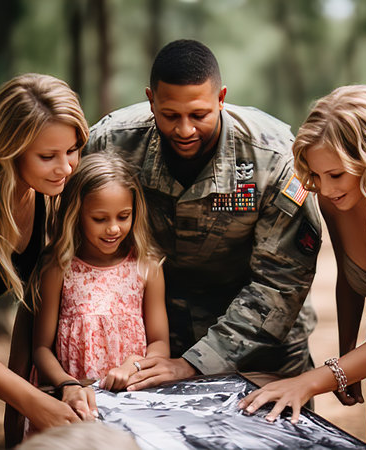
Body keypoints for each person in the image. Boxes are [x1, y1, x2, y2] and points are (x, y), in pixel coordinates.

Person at [85, 39, 322, 391]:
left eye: (199, 115)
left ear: (221, 98)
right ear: (151, 100)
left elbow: (281, 282)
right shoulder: (111, 143)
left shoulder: (271, 157)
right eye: (169, 115)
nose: (184, 130)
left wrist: (196, 363)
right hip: (156, 332)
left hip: (262, 339)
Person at [238, 85, 366, 449]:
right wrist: (345, 363)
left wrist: (311, 381)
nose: (324, 189)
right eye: (317, 175)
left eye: (337, 174)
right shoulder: (338, 202)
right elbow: (348, 282)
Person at [0, 73, 89, 438]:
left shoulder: (43, 195)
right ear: (7, 149)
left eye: (71, 150)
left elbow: (30, 315)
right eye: (47, 156)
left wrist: (19, 417)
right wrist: (29, 401)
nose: (67, 168)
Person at [31, 152, 169, 419]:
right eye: (99, 219)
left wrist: (136, 365)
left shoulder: (147, 266)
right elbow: (41, 348)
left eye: (123, 216)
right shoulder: (58, 266)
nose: (113, 229)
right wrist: (67, 384)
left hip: (133, 403)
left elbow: (160, 342)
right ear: (76, 213)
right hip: (72, 404)